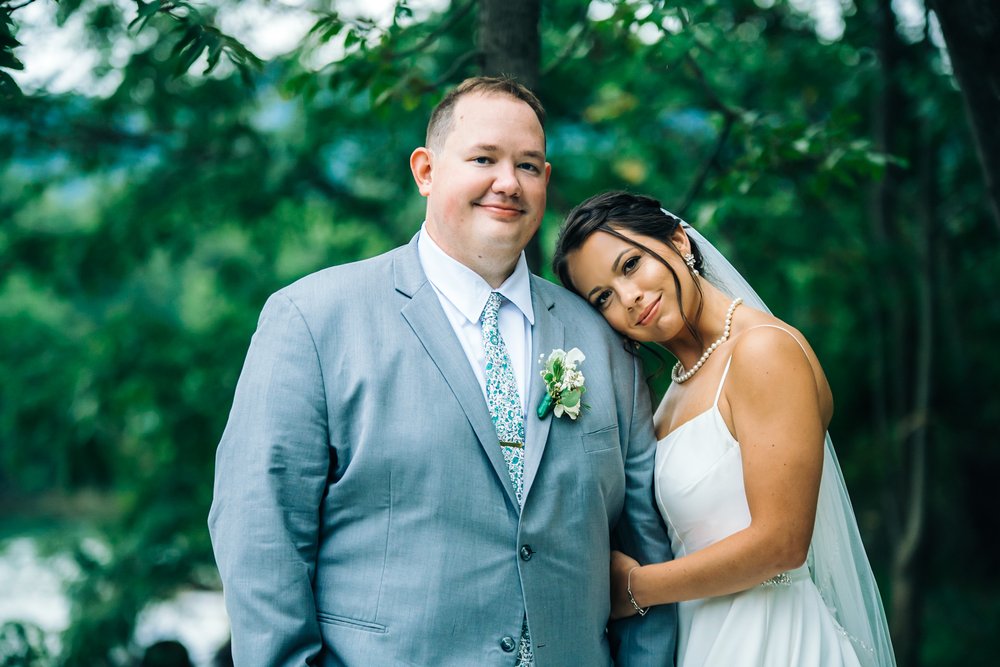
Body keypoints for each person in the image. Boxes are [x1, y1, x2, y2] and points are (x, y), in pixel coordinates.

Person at [208, 79, 677, 666]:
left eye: (527, 165)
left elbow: (645, 547)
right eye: (484, 158)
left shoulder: (603, 340)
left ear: (545, 182)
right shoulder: (312, 320)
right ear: (426, 171)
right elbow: (262, 537)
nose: (507, 182)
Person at [552, 191, 896, 667]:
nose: (628, 298)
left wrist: (634, 587)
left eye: (630, 265)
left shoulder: (763, 351)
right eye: (603, 297)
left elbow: (782, 543)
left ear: (678, 241)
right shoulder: (669, 396)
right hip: (706, 642)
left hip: (775, 641)